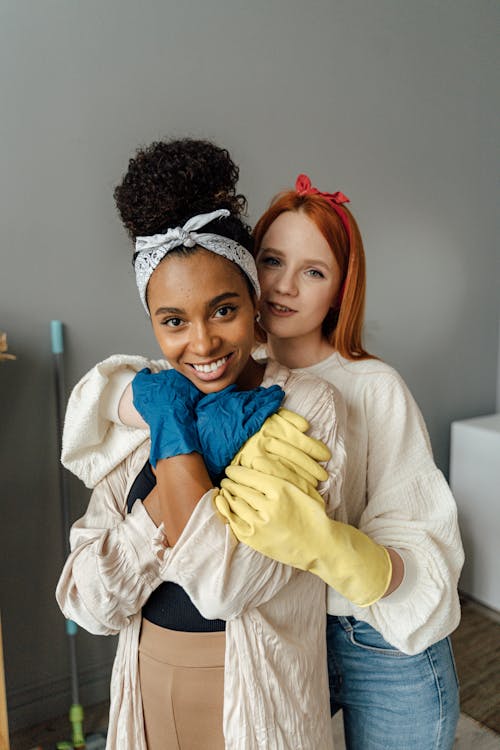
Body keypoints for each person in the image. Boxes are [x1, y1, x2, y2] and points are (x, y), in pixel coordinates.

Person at [60, 163, 463, 749]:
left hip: (378, 638)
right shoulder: (207, 368)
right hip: (294, 633)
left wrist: (336, 549)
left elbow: (423, 536)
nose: (283, 287)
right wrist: (153, 408)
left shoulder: (364, 389)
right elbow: (98, 408)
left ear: (340, 289)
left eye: (313, 271)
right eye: (272, 261)